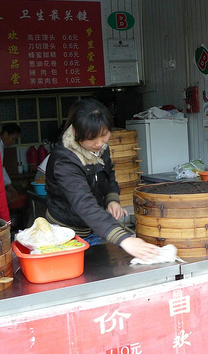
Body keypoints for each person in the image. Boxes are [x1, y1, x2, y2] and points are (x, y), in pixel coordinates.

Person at [45, 98, 158, 261]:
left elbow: (108, 174)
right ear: (77, 132)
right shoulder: (65, 160)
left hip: (92, 228)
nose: (99, 143)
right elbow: (83, 203)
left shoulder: (100, 149)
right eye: (92, 138)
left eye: (104, 135)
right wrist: (123, 238)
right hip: (65, 236)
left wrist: (112, 199)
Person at [0, 123, 21, 204]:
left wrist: (9, 184)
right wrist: (4, 192)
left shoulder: (0, 145)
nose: (13, 142)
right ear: (5, 134)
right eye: (13, 138)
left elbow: (0, 167)